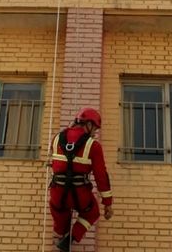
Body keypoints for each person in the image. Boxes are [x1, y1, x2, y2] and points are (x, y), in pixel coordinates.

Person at [49, 107, 113, 252]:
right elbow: (101, 176)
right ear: (88, 124)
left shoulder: (56, 138)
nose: (94, 133)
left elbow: (54, 164)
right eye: (94, 129)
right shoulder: (93, 146)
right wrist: (107, 203)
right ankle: (70, 239)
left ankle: (61, 238)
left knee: (59, 216)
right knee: (92, 212)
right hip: (79, 193)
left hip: (57, 192)